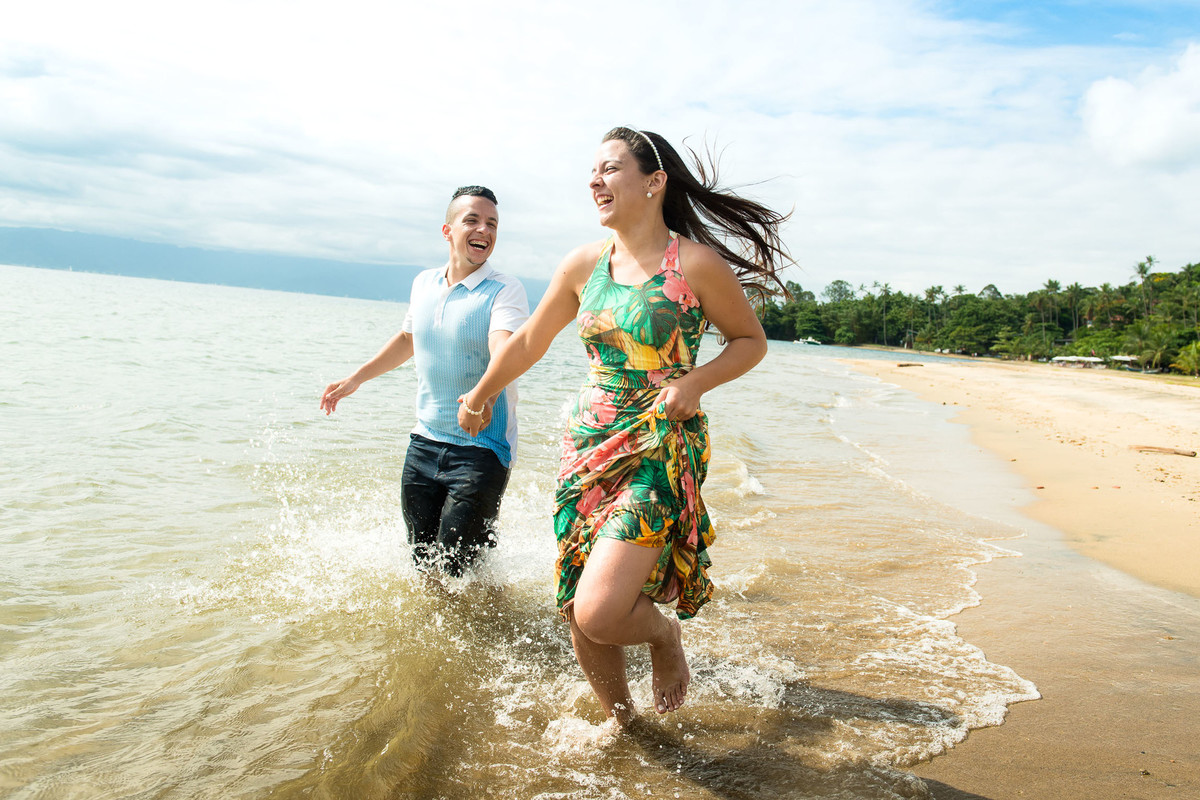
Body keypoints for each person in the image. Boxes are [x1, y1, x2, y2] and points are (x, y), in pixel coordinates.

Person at [456, 128, 790, 722]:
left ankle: (664, 638)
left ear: (654, 182)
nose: (595, 181)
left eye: (610, 169)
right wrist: (482, 391)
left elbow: (750, 342)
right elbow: (531, 340)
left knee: (602, 609)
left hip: (660, 443)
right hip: (588, 445)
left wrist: (693, 383)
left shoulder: (693, 264)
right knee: (576, 601)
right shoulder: (584, 264)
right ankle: (625, 726)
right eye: (593, 171)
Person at [320, 185, 529, 577]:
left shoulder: (504, 289)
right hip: (423, 444)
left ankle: (485, 632)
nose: (484, 229)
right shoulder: (424, 283)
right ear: (448, 230)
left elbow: (507, 354)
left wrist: (480, 400)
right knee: (421, 564)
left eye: (492, 223)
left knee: (460, 573)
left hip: (481, 449)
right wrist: (356, 379)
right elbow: (408, 340)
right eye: (472, 220)